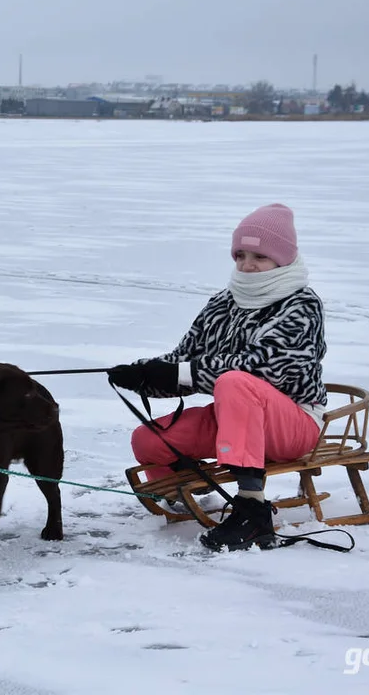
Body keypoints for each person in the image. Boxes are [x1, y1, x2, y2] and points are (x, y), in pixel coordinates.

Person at [107, 203, 326, 552]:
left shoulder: (302, 305)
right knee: (148, 440)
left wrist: (182, 373)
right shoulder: (224, 302)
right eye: (240, 254)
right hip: (237, 416)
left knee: (234, 380)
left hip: (294, 423)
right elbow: (184, 359)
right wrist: (143, 374)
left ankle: (253, 511)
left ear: (282, 259)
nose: (247, 264)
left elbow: (268, 368)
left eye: (259, 256)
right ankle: (188, 492)